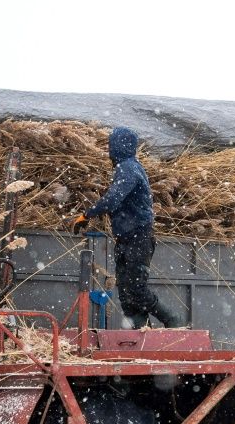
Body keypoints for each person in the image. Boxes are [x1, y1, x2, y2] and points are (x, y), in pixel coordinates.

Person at [72, 127, 182, 328]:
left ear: (116, 147)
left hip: (138, 237)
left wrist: (87, 214)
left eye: (111, 146)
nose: (109, 151)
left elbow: (113, 199)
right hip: (127, 238)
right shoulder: (129, 167)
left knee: (136, 289)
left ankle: (173, 322)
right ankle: (141, 333)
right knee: (125, 292)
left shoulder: (128, 168)